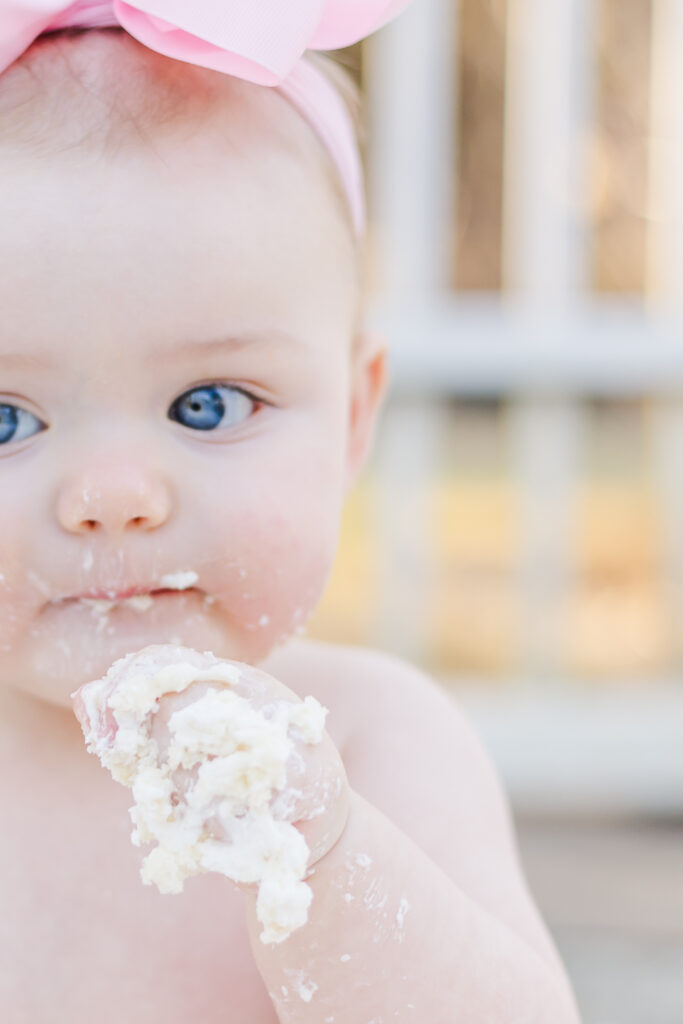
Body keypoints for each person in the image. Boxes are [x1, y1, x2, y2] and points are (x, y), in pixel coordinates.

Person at [0, 6, 581, 1022]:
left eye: (207, 406)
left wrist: (325, 848)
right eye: (6, 418)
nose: (113, 498)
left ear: (355, 416)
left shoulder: (375, 744)